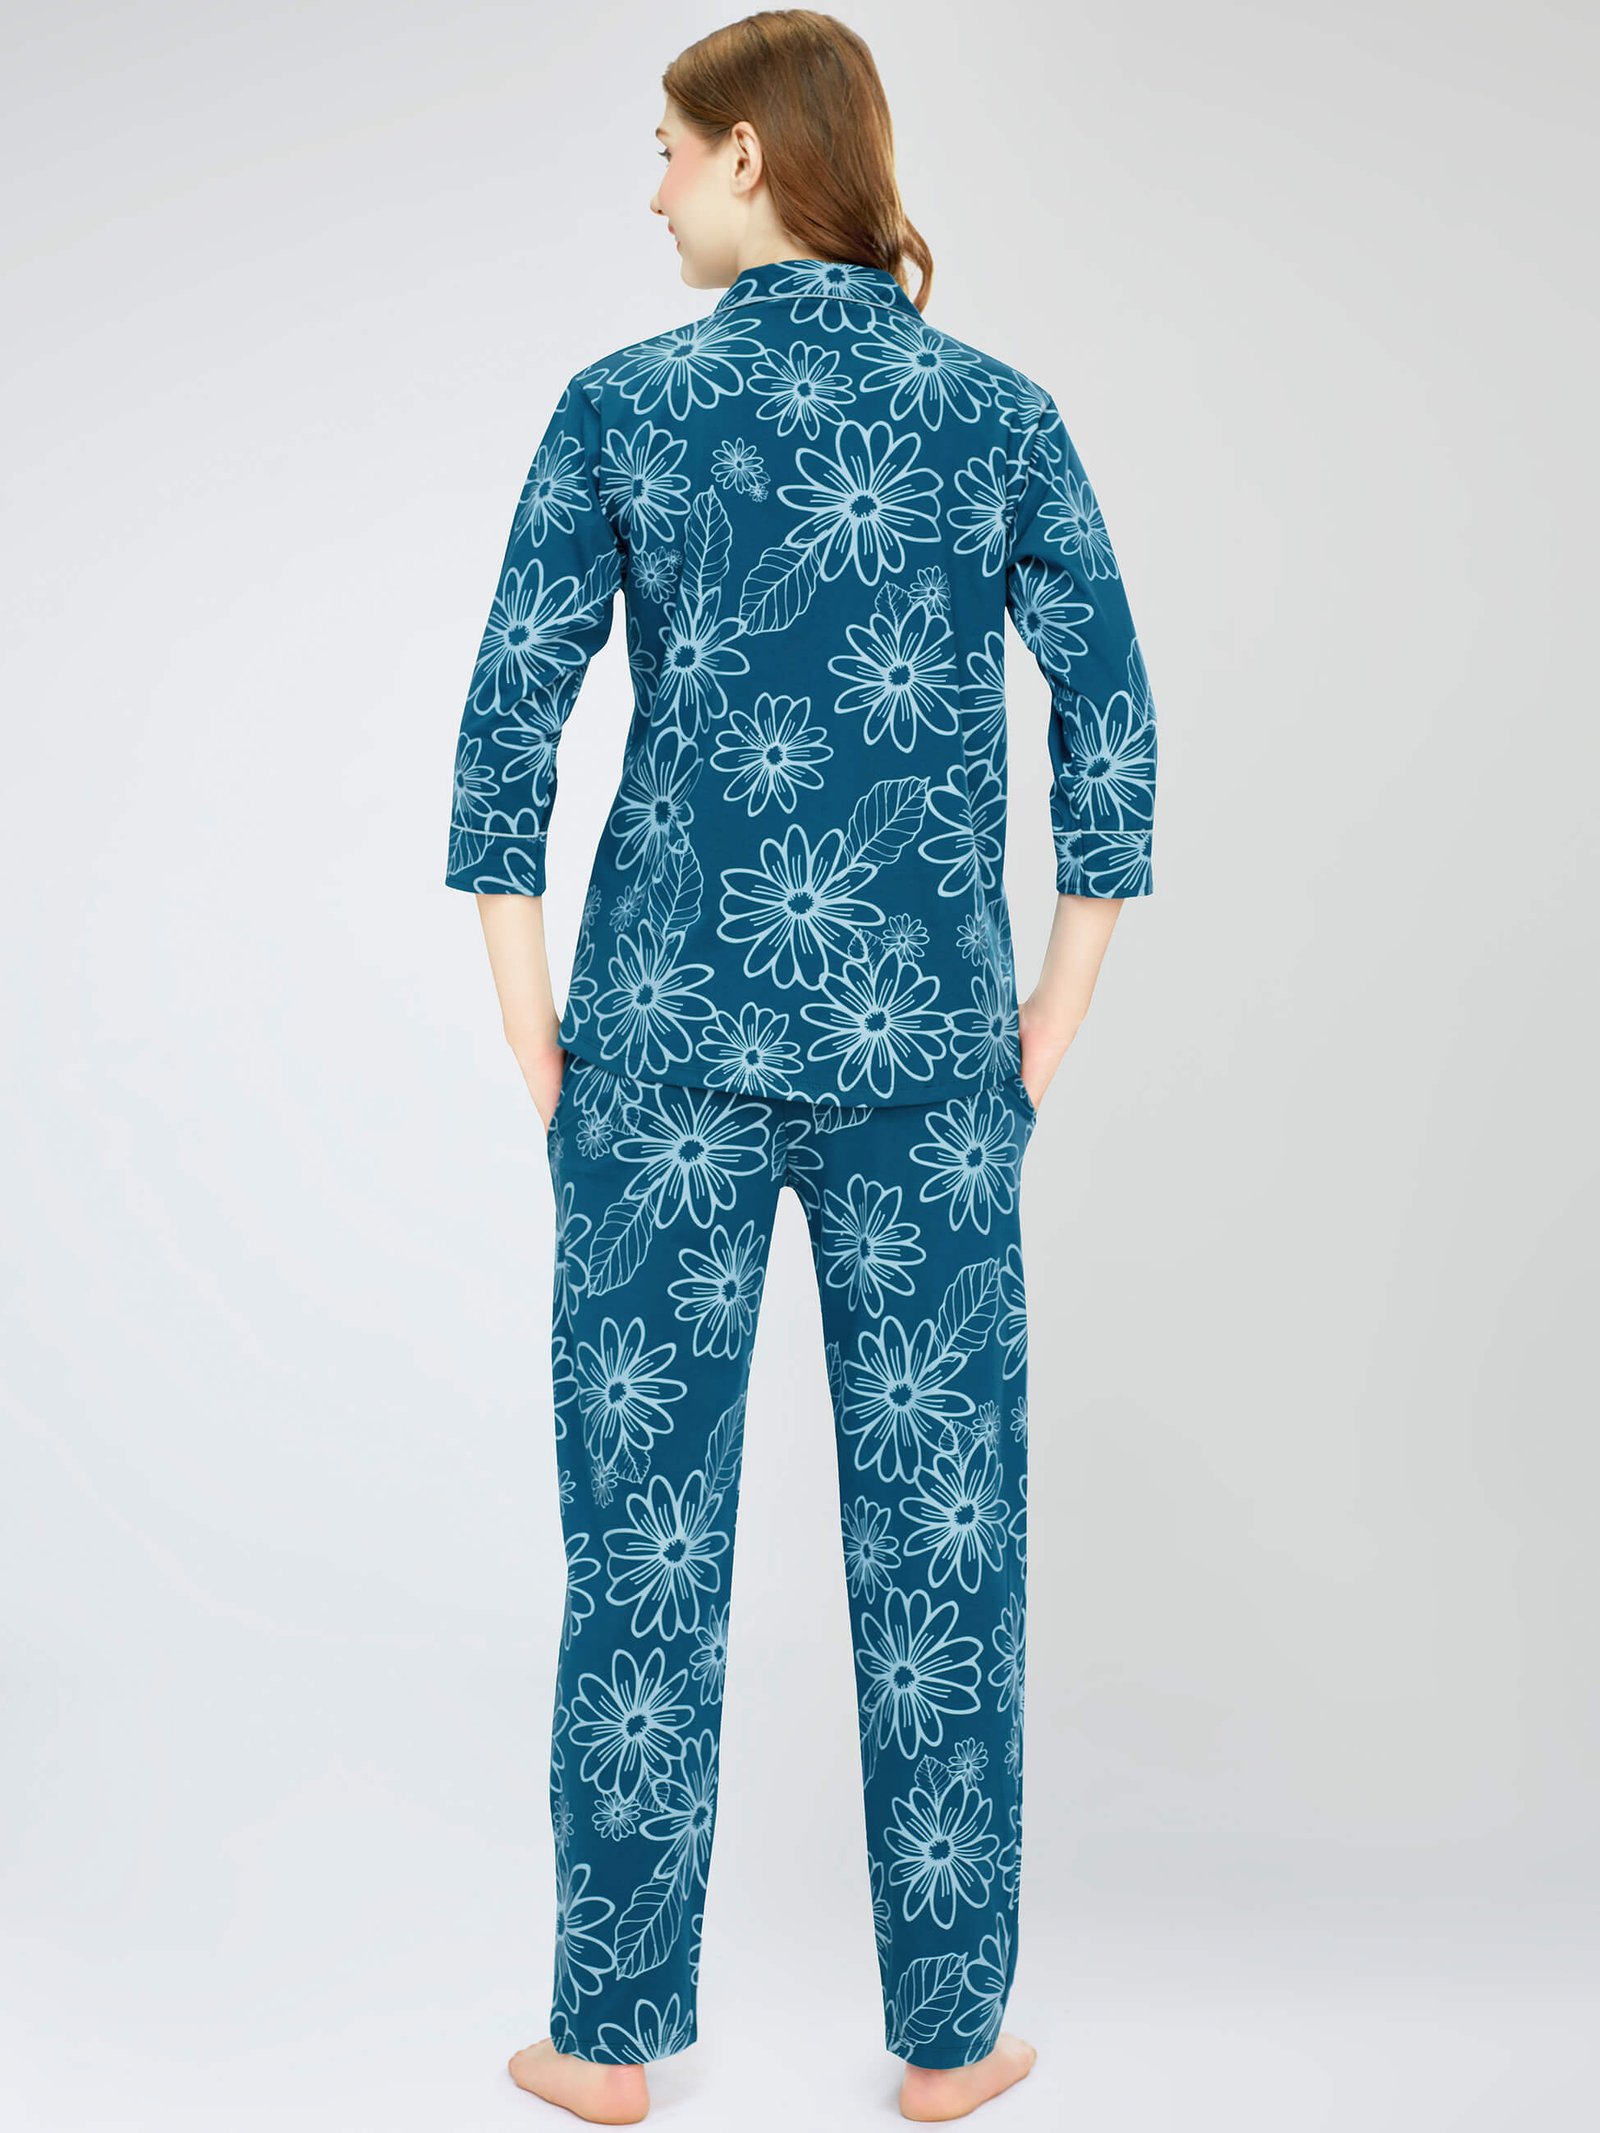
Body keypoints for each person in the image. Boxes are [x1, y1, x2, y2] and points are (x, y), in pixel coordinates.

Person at [443, 11, 1157, 2122]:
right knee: (946, 1549)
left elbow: (506, 725)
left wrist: (532, 1026)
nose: (653, 188)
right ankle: (950, 2035)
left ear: (751, 155)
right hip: (929, 1060)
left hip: (650, 1053)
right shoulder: (995, 413)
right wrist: (1049, 1012)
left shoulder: (621, 406)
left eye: (668, 150)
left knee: (638, 1546)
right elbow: (1112, 722)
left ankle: (603, 2037)